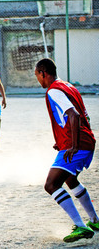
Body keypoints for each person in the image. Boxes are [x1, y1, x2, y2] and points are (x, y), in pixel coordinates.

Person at [35, 58, 99, 243]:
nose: (37, 79)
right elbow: (82, 116)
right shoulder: (69, 86)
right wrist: (63, 141)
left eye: (37, 75)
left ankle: (80, 226)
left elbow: (74, 115)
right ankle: (95, 220)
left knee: (51, 185)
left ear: (43, 73)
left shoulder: (54, 90)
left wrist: (73, 145)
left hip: (78, 145)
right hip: (85, 142)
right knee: (70, 179)